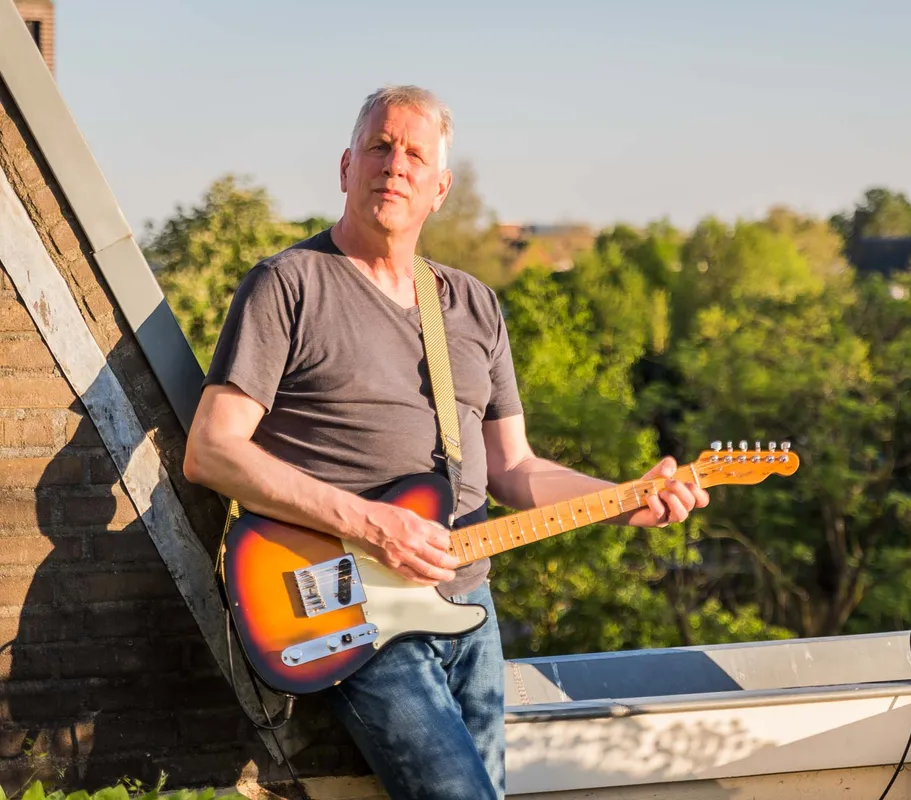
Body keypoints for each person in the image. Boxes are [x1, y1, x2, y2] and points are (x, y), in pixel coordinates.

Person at [182, 84, 709, 800]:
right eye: (379, 146)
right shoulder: (287, 285)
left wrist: (624, 499)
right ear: (346, 166)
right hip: (352, 605)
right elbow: (211, 450)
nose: (394, 165)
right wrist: (373, 523)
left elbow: (513, 467)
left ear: (440, 188)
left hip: (469, 607)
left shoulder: (472, 304)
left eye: (414, 155)